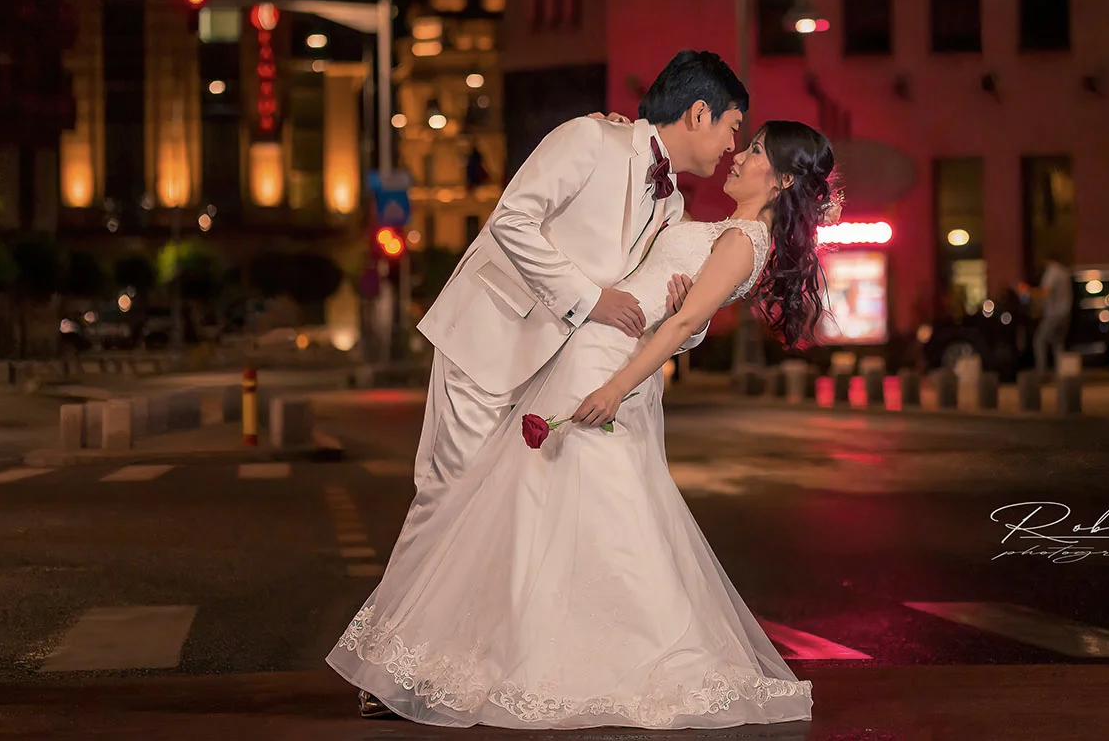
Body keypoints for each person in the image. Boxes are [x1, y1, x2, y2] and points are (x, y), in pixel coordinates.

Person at [328, 121, 835, 729]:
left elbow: (679, 328)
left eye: (754, 151)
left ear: (779, 181)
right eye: (742, 137)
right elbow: (673, 306)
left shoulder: (743, 240)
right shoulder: (711, 224)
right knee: (540, 509)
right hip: (593, 351)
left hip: (606, 367)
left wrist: (615, 389)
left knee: (580, 505)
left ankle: (589, 654)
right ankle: (519, 646)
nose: (738, 153)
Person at [395, 50, 744, 557]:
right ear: (697, 113)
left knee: (501, 518)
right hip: (489, 339)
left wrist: (686, 318)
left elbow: (656, 298)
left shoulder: (672, 206)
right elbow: (511, 220)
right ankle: (398, 635)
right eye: (732, 126)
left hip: (554, 373)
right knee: (448, 499)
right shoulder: (589, 138)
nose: (732, 145)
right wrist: (590, 299)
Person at [1031, 256, 1072, 376]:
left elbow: (1046, 292)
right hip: (1065, 313)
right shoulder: (1064, 272)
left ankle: (1041, 372)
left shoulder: (1053, 272)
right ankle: (1062, 373)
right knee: (1057, 343)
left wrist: (1028, 292)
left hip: (1054, 314)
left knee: (1039, 341)